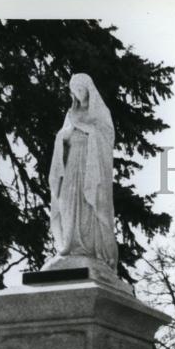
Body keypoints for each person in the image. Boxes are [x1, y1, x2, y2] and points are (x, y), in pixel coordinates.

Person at [47, 73, 118, 270]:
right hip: (72, 163)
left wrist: (85, 128)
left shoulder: (100, 112)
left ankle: (89, 248)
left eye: (81, 89)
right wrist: (63, 136)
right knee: (68, 201)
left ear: (88, 89)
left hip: (90, 166)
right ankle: (69, 244)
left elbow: (105, 138)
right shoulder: (71, 113)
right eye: (74, 90)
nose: (78, 93)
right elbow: (64, 136)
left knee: (88, 203)